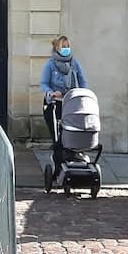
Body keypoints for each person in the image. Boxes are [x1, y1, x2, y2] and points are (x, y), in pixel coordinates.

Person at [40, 35, 88, 174]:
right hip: (54, 104)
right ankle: (57, 167)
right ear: (57, 48)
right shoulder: (50, 64)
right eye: (64, 47)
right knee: (58, 138)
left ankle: (72, 159)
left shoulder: (74, 63)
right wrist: (51, 93)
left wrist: (84, 93)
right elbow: (43, 84)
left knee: (71, 134)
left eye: (68, 46)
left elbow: (82, 81)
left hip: (71, 104)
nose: (67, 49)